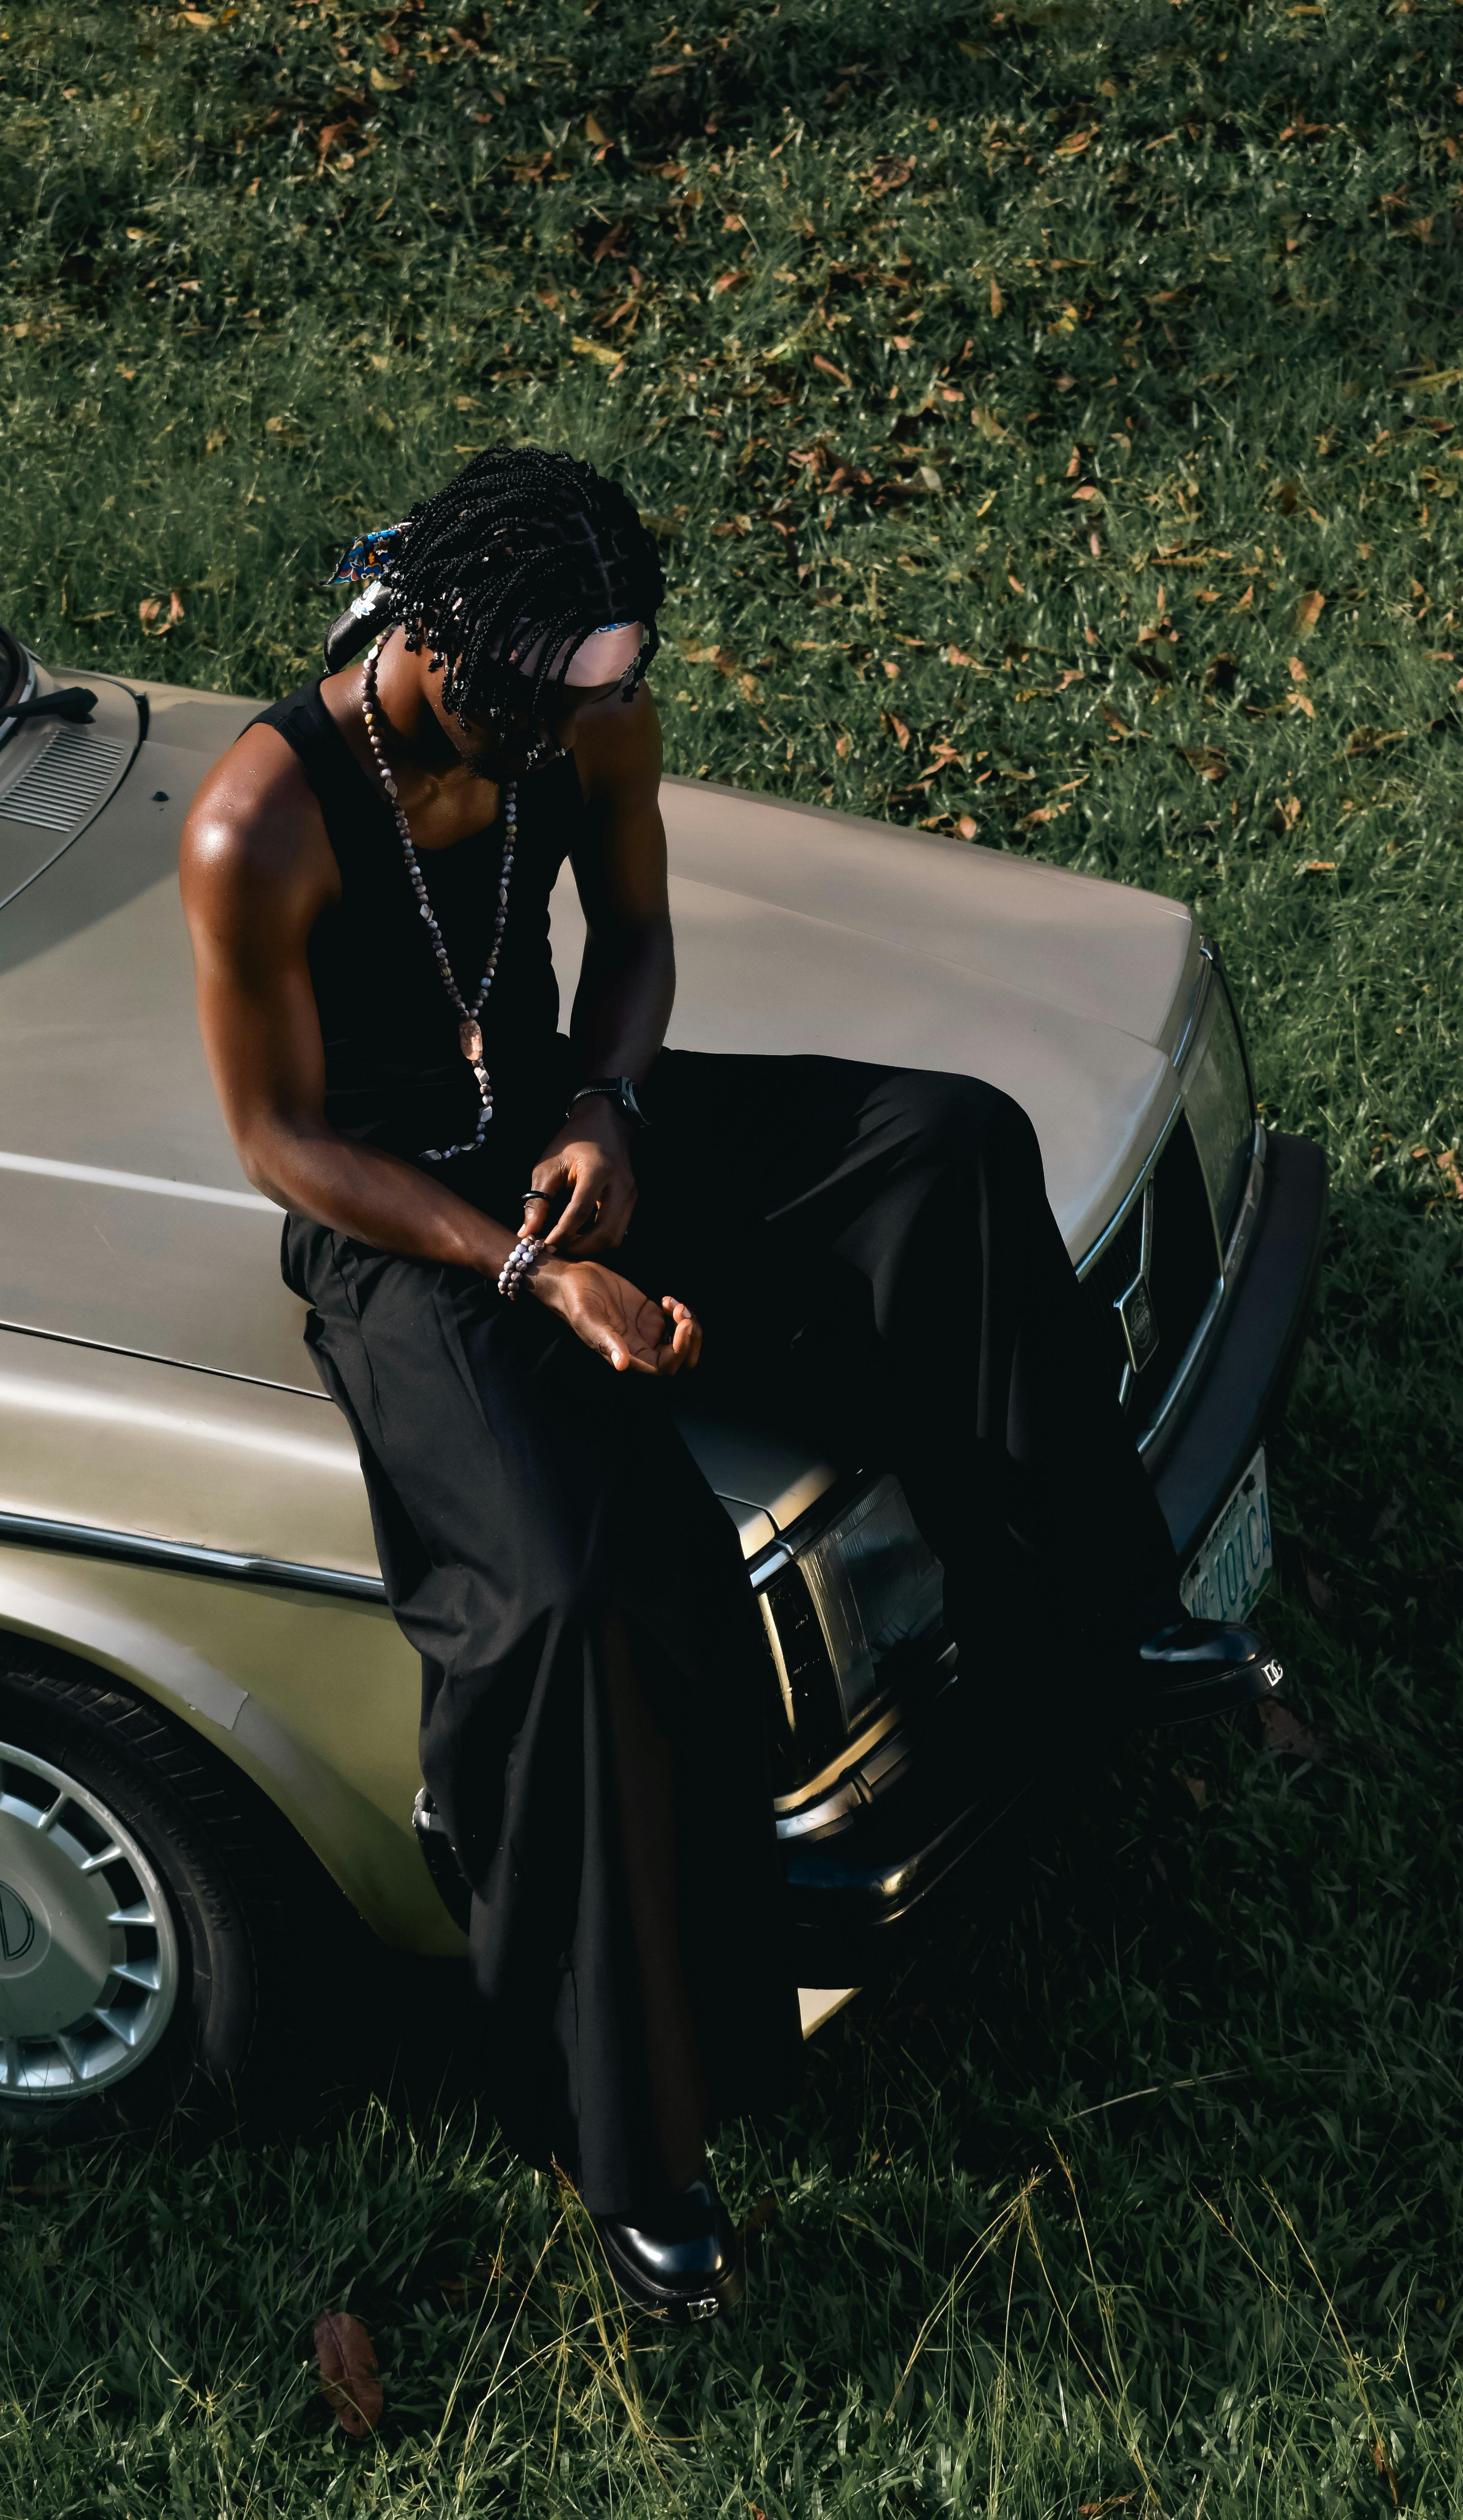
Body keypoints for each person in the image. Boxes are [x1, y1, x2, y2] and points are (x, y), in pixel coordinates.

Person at [180, 446, 1272, 2322]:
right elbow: (280, 1137)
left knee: (935, 1149)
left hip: (550, 1130)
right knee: (576, 1604)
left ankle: (1085, 1625)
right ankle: (636, 2150)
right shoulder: (261, 818)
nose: (593, 733)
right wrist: (538, 1274)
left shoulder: (584, 713)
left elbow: (639, 940)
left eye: (613, 693)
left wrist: (606, 1107)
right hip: (397, 1230)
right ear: (448, 646)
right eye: (556, 705)